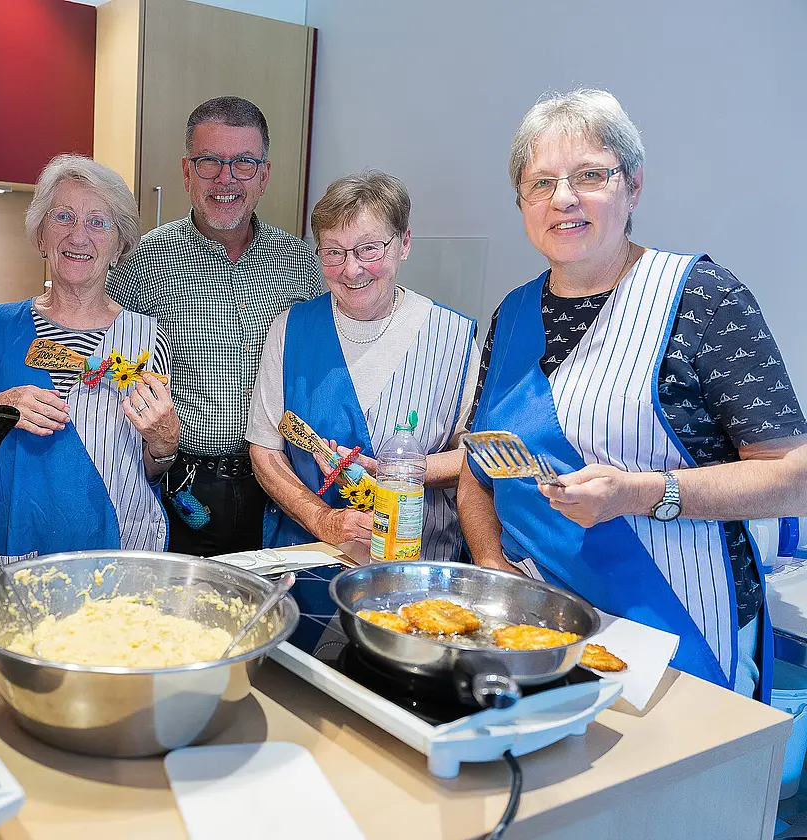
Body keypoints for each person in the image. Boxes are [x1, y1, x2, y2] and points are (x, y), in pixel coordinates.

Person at [461, 89, 807, 701]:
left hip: (677, 626)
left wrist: (643, 493)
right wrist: (493, 567)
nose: (563, 198)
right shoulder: (512, 314)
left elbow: (794, 477)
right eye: (541, 183)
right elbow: (478, 464)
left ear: (634, 186)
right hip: (537, 626)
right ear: (522, 202)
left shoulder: (702, 297)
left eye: (590, 175)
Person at [106, 95, 322, 557]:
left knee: (272, 600)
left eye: (244, 163)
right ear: (187, 173)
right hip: (180, 486)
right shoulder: (140, 263)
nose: (226, 179)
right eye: (209, 162)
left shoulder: (302, 264)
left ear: (264, 175)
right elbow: (104, 362)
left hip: (279, 488)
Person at [0, 154, 179, 574]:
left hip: (120, 546)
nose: (78, 236)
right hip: (18, 546)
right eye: (63, 217)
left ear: (119, 246)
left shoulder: (147, 338)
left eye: (98, 222)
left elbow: (151, 469)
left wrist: (165, 444)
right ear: (41, 235)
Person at [247, 171, 479, 559]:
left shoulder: (452, 337)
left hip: (416, 563)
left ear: (404, 243)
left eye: (369, 249)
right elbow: (265, 451)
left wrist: (401, 471)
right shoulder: (292, 329)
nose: (351, 269)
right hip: (308, 560)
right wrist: (323, 519)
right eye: (333, 252)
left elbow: (474, 459)